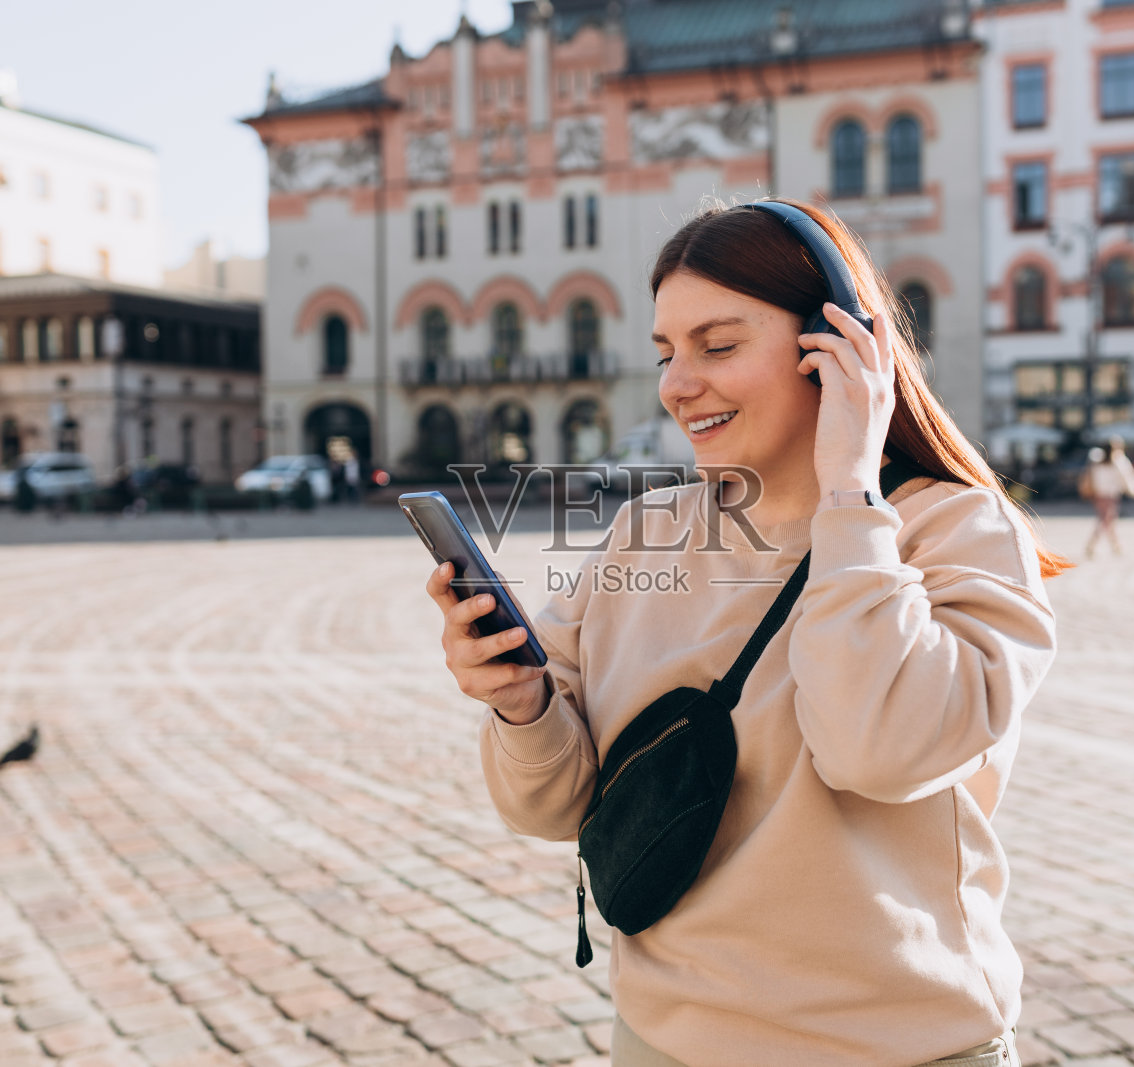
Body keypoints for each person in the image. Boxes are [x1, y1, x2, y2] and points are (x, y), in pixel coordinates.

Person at [425, 199, 1067, 1067]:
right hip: (663, 1039)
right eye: (665, 353)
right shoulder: (641, 537)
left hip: (896, 1047)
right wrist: (521, 702)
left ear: (839, 345)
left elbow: (878, 747)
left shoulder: (954, 531)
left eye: (717, 346)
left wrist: (850, 496)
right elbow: (546, 806)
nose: (677, 384)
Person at [1079, 437, 1134, 559]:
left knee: (1108, 520)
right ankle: (1092, 545)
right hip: (1111, 495)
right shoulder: (1119, 461)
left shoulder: (1097, 460)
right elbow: (1126, 478)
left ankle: (1115, 545)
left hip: (1099, 494)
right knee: (1106, 520)